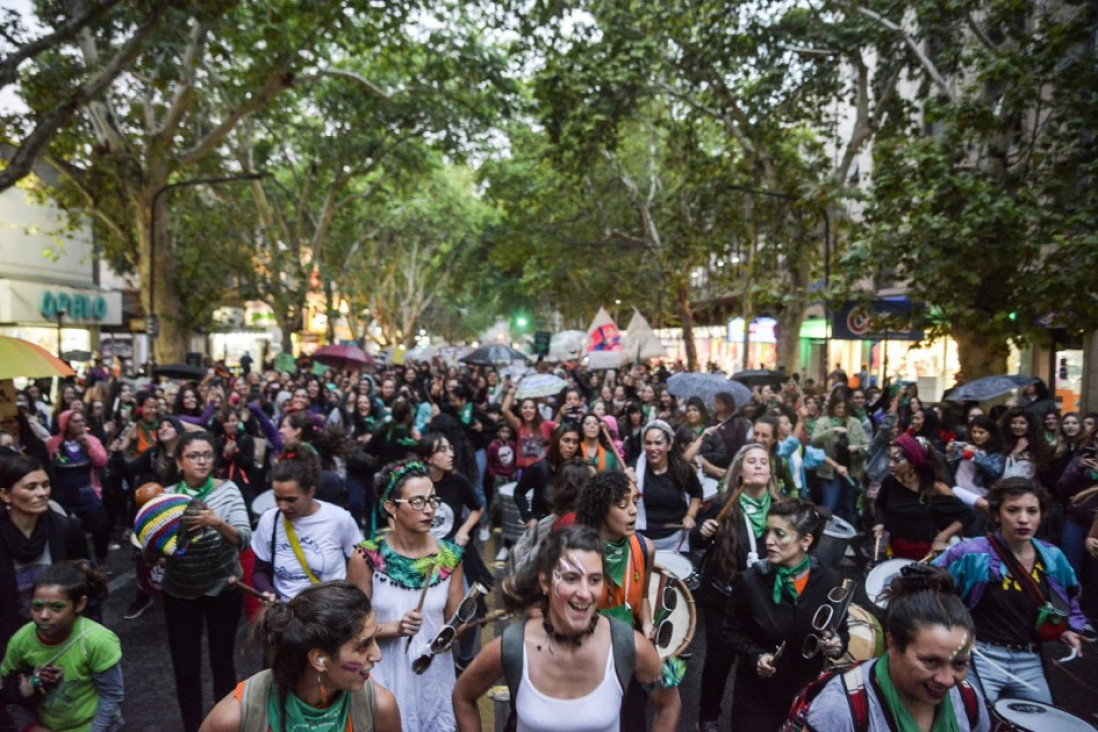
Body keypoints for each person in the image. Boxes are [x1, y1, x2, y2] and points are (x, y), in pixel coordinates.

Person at [452, 525, 679, 732]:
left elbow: (669, 704)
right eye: (571, 578)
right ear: (545, 582)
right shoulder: (512, 646)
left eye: (594, 580)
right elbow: (462, 696)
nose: (584, 593)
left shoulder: (630, 645)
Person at [935, 477, 1085, 704]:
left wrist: (1068, 627)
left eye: (1032, 511)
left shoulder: (1053, 557)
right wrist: (956, 632)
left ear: (1041, 515)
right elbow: (929, 588)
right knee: (971, 719)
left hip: (1030, 660)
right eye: (1013, 510)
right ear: (996, 514)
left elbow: (1069, 593)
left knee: (1041, 722)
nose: (1023, 519)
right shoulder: (971, 554)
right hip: (979, 657)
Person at [794, 564, 989, 731]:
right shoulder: (841, 708)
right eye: (930, 662)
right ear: (893, 645)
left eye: (959, 664)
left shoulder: (968, 699)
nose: (946, 680)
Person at [347, 459, 464, 731]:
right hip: (382, 675)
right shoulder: (366, 557)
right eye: (417, 502)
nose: (429, 510)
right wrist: (394, 628)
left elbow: (457, 622)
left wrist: (453, 633)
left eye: (433, 500)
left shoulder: (449, 557)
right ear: (391, 506)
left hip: (433, 678)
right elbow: (349, 628)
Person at [199, 581, 400, 732]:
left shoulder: (379, 708)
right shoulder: (234, 718)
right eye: (363, 645)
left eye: (374, 639)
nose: (377, 655)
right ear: (319, 659)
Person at [724, 500, 844, 732]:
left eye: (779, 534)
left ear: (805, 541)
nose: (768, 541)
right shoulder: (750, 581)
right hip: (757, 698)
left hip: (806, 697)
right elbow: (731, 631)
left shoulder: (828, 581)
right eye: (767, 532)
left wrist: (837, 643)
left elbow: (842, 630)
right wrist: (756, 656)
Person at [162, 431, 252, 732]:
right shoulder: (166, 496)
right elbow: (149, 553)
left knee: (222, 662)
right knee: (185, 667)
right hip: (179, 590)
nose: (201, 461)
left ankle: (223, 725)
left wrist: (217, 523)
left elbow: (243, 539)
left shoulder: (228, 491)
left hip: (223, 588)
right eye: (193, 456)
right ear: (179, 462)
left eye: (207, 455)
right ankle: (193, 726)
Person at [689, 443, 782, 729]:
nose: (757, 466)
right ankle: (708, 718)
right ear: (740, 471)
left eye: (763, 462)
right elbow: (696, 542)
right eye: (751, 461)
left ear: (770, 471)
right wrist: (702, 532)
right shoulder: (723, 503)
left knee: (757, 662)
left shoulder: (782, 508)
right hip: (724, 597)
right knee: (719, 660)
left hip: (766, 601)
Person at [0, 560, 123, 732]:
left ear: (79, 604)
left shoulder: (97, 641)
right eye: (37, 607)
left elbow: (111, 697)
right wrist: (31, 726)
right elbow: (6, 691)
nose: (43, 615)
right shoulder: (21, 641)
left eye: (57, 607)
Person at [0, 455, 89, 663]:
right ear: (5, 495)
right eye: (31, 487)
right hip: (10, 644)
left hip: (64, 641)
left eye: (45, 485)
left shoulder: (67, 529)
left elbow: (85, 588)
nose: (42, 493)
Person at [250, 454, 362, 602]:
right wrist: (268, 591)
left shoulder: (340, 519)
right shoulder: (269, 520)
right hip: (288, 615)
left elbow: (360, 567)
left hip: (330, 613)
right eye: (277, 498)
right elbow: (259, 572)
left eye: (291, 500)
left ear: (310, 492)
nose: (282, 506)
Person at [872, 434, 969, 561]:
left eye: (896, 460)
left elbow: (966, 515)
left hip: (925, 555)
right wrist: (879, 523)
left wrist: (942, 537)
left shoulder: (935, 488)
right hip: (895, 550)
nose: (890, 464)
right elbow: (880, 504)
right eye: (890, 459)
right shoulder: (890, 481)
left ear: (912, 462)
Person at [44, 410, 111, 567]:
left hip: (87, 491)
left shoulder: (92, 440)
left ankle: (102, 558)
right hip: (63, 494)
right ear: (65, 425)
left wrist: (88, 446)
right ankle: (75, 562)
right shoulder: (53, 443)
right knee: (68, 530)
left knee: (101, 526)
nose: (80, 424)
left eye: (82, 421)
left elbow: (102, 461)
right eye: (75, 421)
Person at [634, 419, 701, 551]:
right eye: (648, 443)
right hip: (641, 540)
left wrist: (690, 515)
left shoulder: (681, 468)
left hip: (676, 540)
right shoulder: (633, 469)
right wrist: (627, 484)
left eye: (658, 443)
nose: (653, 448)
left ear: (669, 445)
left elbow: (696, 493)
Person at [810, 395, 868, 522]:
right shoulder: (823, 422)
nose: (841, 410)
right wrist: (831, 431)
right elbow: (814, 441)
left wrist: (858, 448)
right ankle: (827, 536)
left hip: (851, 470)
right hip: (829, 471)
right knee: (830, 505)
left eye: (844, 407)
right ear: (832, 407)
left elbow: (868, 445)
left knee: (848, 506)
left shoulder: (854, 422)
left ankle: (848, 537)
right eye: (838, 407)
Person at [513, 422, 581, 528]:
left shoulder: (578, 469)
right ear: (557, 441)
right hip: (543, 524)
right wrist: (528, 517)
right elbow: (519, 493)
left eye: (575, 442)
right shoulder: (540, 468)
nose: (571, 446)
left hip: (569, 527)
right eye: (566, 440)